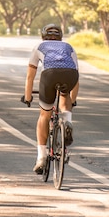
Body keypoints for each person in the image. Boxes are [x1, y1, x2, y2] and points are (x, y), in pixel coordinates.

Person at [22, 24, 79, 174]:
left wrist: (28, 97)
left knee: (44, 115)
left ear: (43, 36)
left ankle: (41, 157)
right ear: (60, 36)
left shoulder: (39, 46)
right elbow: (76, 80)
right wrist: (72, 101)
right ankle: (67, 120)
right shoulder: (69, 46)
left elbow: (30, 76)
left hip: (50, 75)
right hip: (70, 75)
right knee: (64, 95)